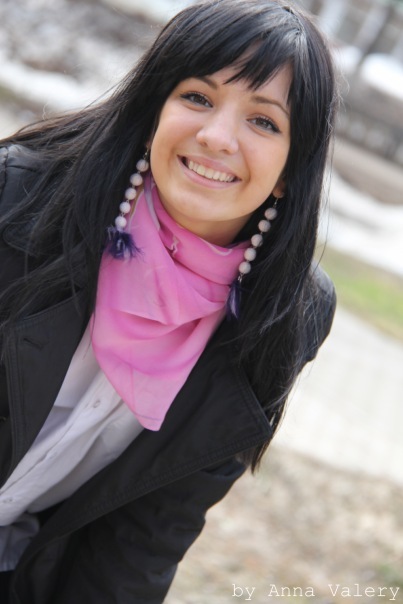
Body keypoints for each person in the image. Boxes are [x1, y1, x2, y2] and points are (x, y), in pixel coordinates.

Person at [0, 0, 338, 601]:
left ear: (292, 168)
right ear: (153, 108)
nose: (216, 137)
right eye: (198, 97)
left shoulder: (286, 313)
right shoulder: (16, 198)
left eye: (264, 122)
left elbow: (145, 536)